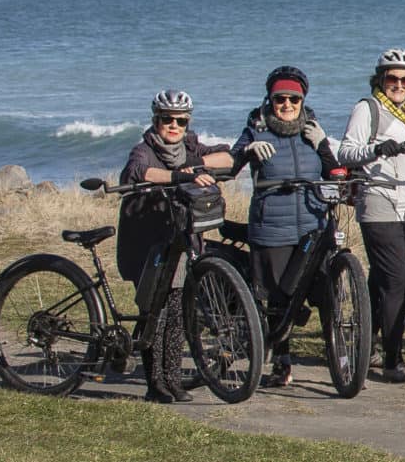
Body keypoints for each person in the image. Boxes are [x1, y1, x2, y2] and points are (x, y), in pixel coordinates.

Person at [230, 66, 351, 389]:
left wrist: (324, 144)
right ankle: (281, 363)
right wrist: (247, 150)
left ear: (302, 100)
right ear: (270, 100)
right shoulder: (256, 128)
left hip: (313, 224)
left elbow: (336, 171)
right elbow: (230, 166)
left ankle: (341, 361)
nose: (286, 105)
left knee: (327, 297)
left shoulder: (311, 129)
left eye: (293, 99)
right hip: (272, 227)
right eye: (280, 99)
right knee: (278, 299)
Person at [115, 89, 235, 402]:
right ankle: (155, 384)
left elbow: (228, 156)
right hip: (148, 244)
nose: (173, 126)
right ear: (155, 120)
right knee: (155, 312)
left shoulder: (190, 145)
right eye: (166, 120)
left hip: (180, 242)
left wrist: (195, 165)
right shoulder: (144, 149)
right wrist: (177, 177)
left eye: (179, 121)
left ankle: (173, 380)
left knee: (180, 311)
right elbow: (140, 172)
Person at [342, 48, 405, 385]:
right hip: (380, 205)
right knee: (398, 282)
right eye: (392, 78)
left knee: (381, 282)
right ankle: (392, 361)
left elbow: (404, 159)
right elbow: (346, 151)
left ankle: (365, 346)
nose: (399, 84)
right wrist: (376, 150)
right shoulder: (368, 109)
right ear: (380, 79)